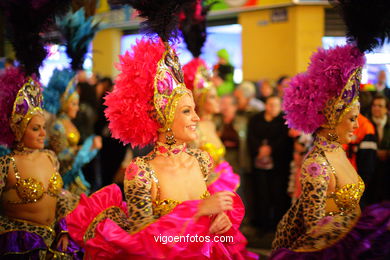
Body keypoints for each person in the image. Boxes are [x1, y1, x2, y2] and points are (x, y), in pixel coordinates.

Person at [66, 1, 257, 259]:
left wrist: (219, 216)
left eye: (194, 109)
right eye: (187, 111)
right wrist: (197, 209)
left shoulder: (201, 160)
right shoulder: (142, 172)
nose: (197, 118)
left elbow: (211, 222)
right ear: (165, 118)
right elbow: (143, 240)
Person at [271, 43, 390, 258]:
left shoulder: (338, 151)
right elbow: (314, 233)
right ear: (330, 121)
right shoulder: (317, 165)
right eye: (352, 119)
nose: (356, 125)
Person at [181, 0, 240, 193]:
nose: (218, 101)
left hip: (222, 188)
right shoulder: (193, 129)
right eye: (213, 97)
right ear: (202, 100)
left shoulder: (213, 123)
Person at [247, 95, 294, 233]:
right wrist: (259, 150)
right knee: (261, 194)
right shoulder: (255, 119)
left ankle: (278, 225)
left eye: (275, 105)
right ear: (265, 105)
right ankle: (262, 224)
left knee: (278, 194)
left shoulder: (284, 120)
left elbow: (285, 140)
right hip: (259, 161)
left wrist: (270, 149)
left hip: (279, 164)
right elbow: (251, 137)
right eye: (270, 104)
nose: (272, 108)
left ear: (280, 106)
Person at [368, 95, 390, 204]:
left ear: (386, 109)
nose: (376, 108)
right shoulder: (365, 123)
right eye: (374, 105)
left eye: (380, 106)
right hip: (370, 169)